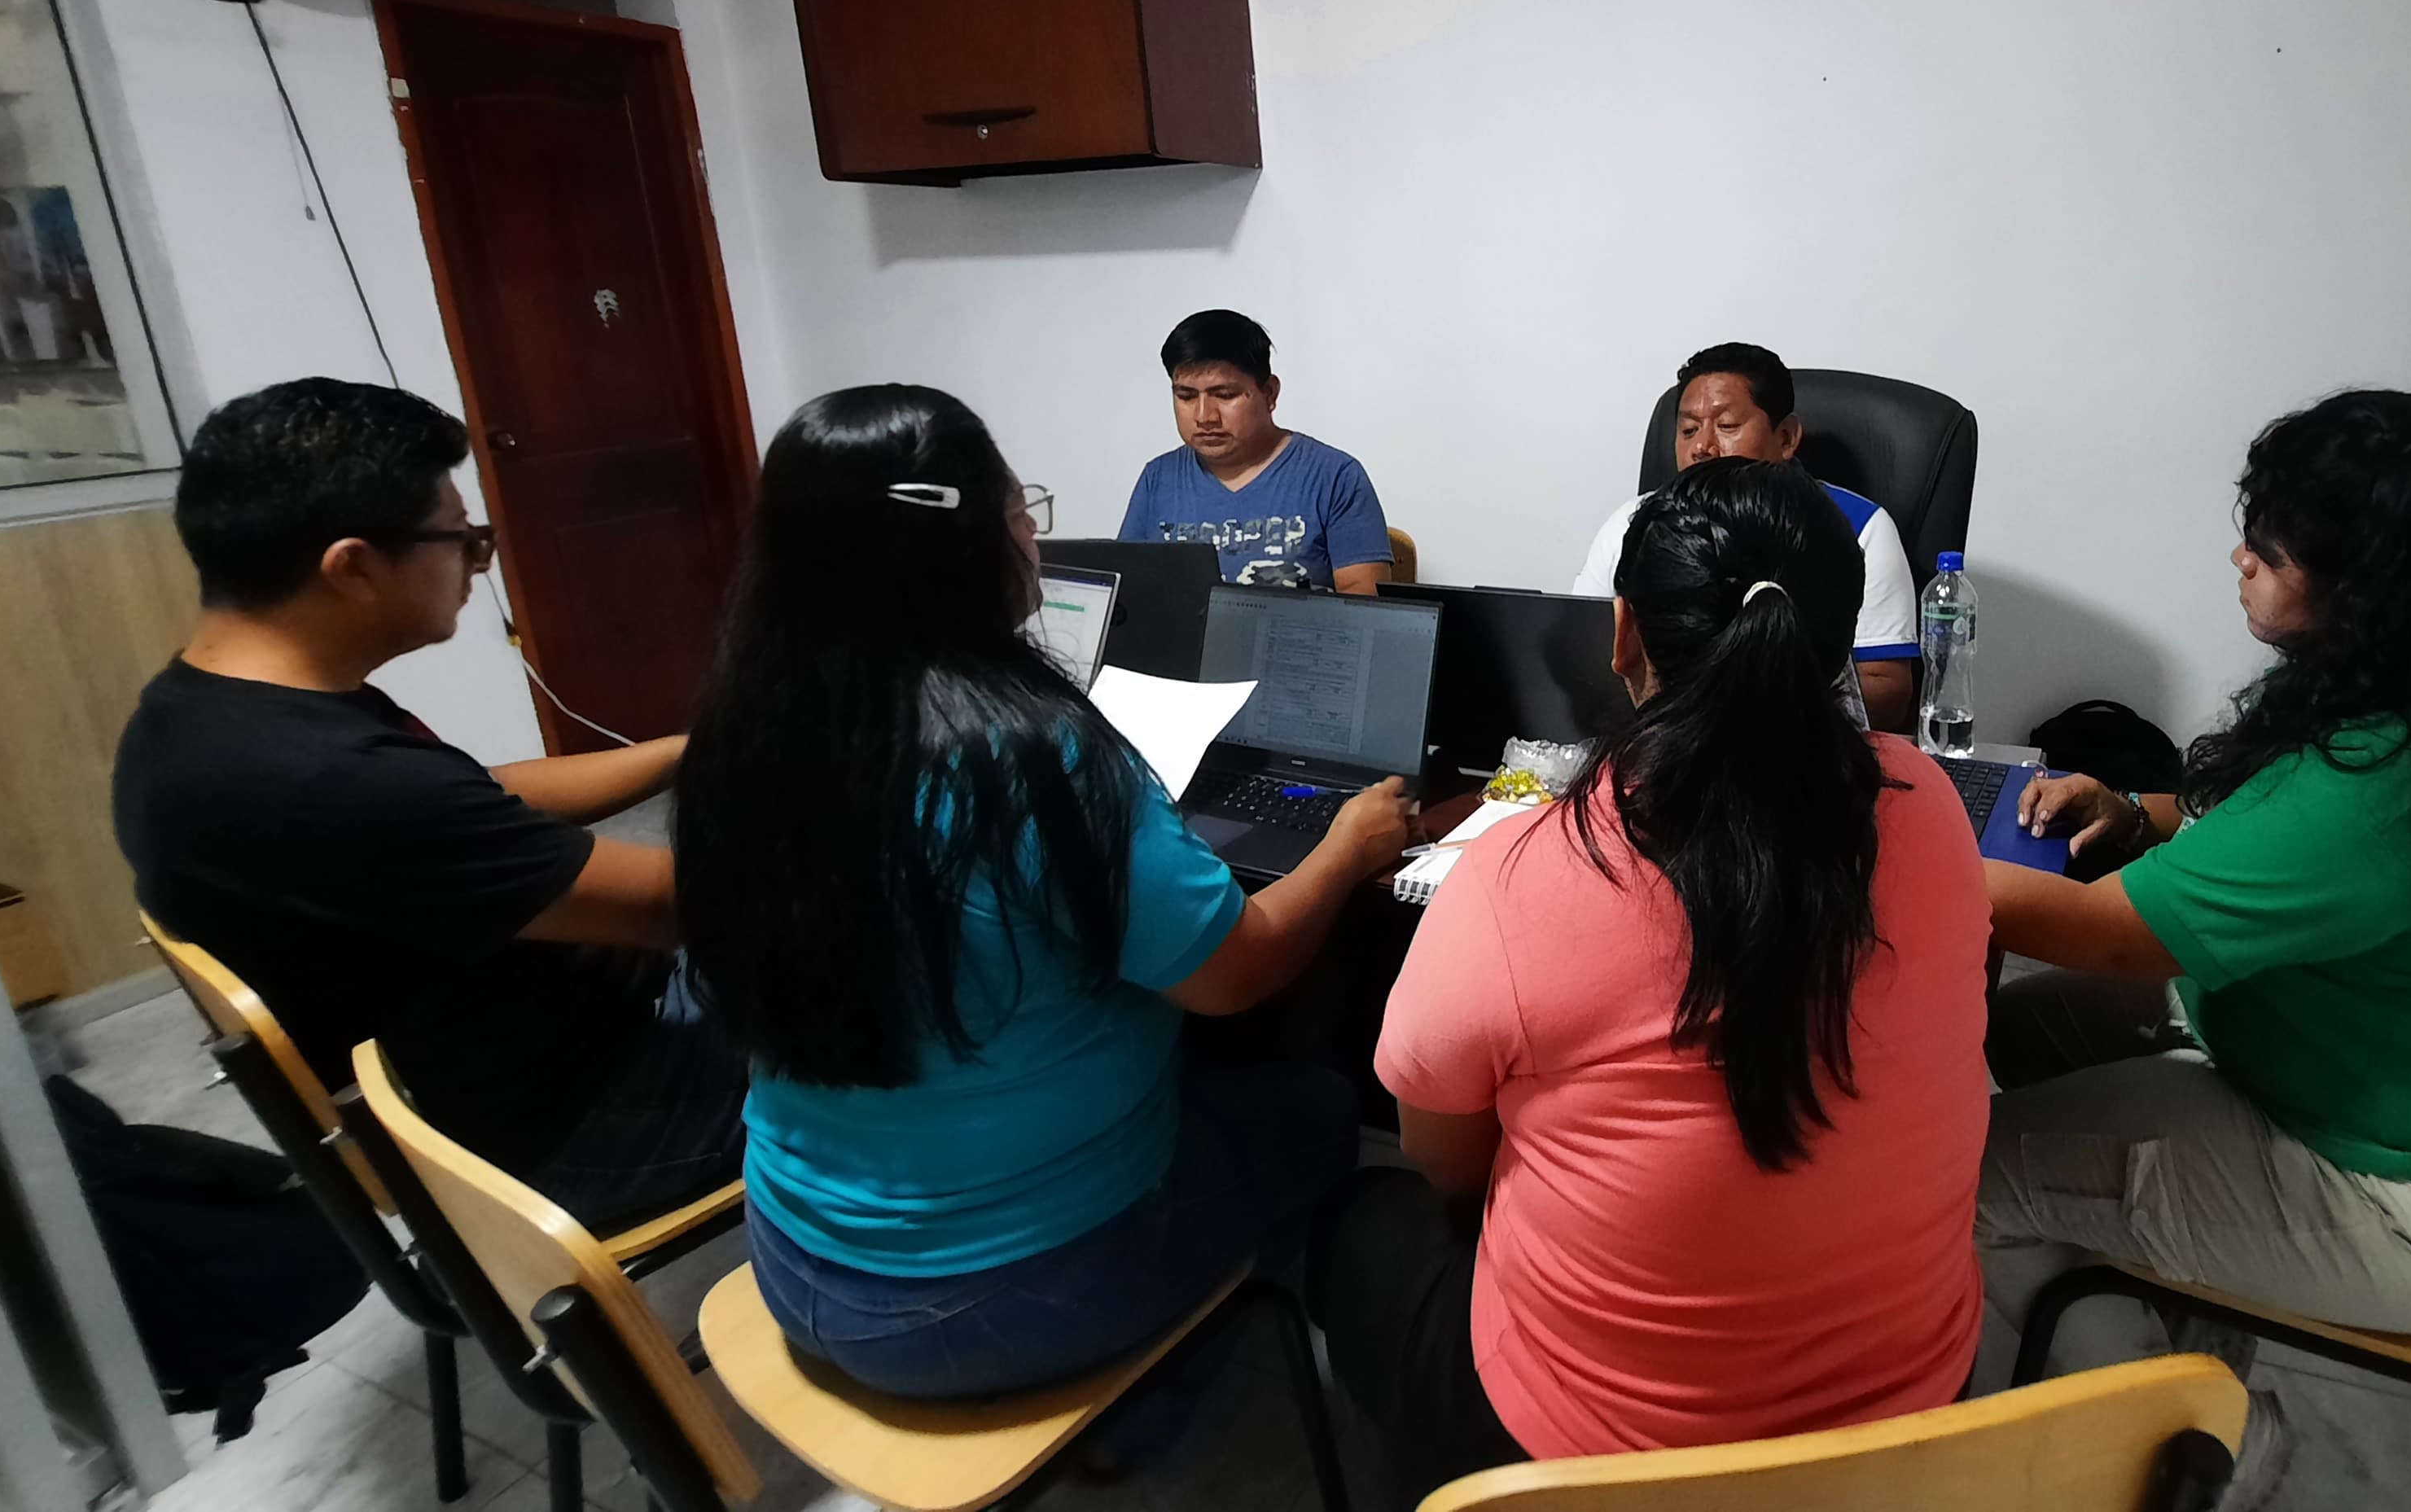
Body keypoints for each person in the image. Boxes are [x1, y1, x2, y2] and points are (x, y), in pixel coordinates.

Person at [677, 384, 1415, 1401]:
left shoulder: (742, 729)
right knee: (1320, 1107)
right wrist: (1345, 846)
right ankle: (1148, 1409)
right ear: (961, 541)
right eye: (1019, 508)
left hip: (792, 1250)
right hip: (990, 1297)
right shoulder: (1032, 757)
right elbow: (1234, 973)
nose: (1032, 534)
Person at [1975, 390, 2411, 1501]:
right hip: (2339, 1084)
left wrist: (1895, 856)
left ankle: (2201, 1449)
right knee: (1992, 1034)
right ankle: (2172, 1325)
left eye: (2272, 550)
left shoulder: (2396, 777)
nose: (2241, 558)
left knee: (1963, 1183)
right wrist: (2136, 815)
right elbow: (2257, 826)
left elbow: (2113, 937)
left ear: (2371, 589)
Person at [1317, 458, 1989, 1497]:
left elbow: (1445, 1161)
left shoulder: (1524, 872)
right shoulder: (1933, 809)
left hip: (1599, 1461)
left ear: (1623, 633)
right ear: (1836, 638)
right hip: (1910, 1431)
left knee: (1359, 1223)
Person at [112, 378, 739, 1233]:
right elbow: (693, 910)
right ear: (355, 567)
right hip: (579, 1129)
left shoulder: (199, 714)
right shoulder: (333, 783)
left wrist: (687, 751)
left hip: (517, 1075)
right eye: (465, 541)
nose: (480, 566)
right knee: (904, 983)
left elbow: (480, 798)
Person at [1570, 344, 1918, 731]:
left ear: (1786, 438)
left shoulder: (1859, 527)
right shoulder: (1632, 522)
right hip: (1655, 748)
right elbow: (1577, 652)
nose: (1702, 447)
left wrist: (1744, 716)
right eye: (1688, 430)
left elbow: (1888, 689)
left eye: (1727, 426)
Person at [1118, 309, 1392, 592]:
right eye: (1186, 396)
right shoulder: (1158, 478)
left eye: (1225, 395)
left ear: (1270, 393)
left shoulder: (1334, 476)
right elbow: (1127, 590)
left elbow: (1364, 599)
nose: (1205, 416)